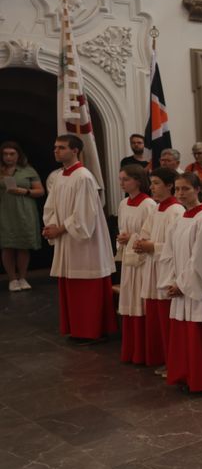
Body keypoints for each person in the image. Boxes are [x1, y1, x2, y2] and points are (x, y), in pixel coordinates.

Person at [41, 135, 117, 341]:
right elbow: (51, 206)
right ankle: (77, 329)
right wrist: (51, 225)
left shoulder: (83, 177)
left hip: (84, 242)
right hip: (67, 239)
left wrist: (61, 229)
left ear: (75, 150)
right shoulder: (60, 176)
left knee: (85, 287)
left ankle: (91, 330)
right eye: (55, 147)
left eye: (61, 147)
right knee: (71, 285)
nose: (56, 151)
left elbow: (84, 215)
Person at [159, 172, 202, 392]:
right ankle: (187, 375)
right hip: (183, 286)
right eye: (177, 189)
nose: (180, 193)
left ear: (197, 190)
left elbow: (201, 260)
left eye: (185, 189)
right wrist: (172, 281)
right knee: (185, 336)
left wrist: (180, 285)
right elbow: (169, 253)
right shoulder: (181, 218)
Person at [133, 168, 184, 369]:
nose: (151, 187)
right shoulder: (157, 208)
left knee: (167, 320)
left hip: (168, 271)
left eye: (156, 183)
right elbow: (145, 233)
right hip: (153, 269)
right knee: (156, 319)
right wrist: (139, 243)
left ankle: (173, 363)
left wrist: (152, 246)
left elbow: (179, 246)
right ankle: (163, 359)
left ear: (170, 185)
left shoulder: (176, 211)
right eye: (151, 183)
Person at [114, 165, 156, 363]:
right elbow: (122, 229)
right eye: (120, 179)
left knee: (141, 303)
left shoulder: (148, 205)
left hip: (142, 261)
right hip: (129, 261)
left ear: (138, 181)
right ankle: (131, 349)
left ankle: (144, 350)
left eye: (125, 179)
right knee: (130, 301)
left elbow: (151, 236)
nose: (121, 183)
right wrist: (123, 239)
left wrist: (132, 238)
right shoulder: (123, 203)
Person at [0, 141, 44, 290]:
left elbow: (41, 191)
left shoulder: (27, 170)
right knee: (7, 246)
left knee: (23, 245)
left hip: (24, 212)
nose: (8, 157)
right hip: (4, 211)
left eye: (12, 154)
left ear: (18, 155)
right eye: (5, 154)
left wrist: (24, 191)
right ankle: (12, 279)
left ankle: (23, 278)